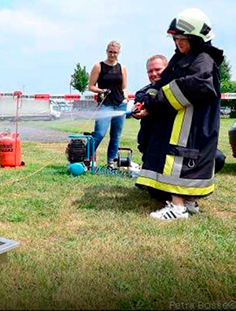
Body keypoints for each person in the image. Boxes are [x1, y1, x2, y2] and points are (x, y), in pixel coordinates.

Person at [133, 8, 224, 220]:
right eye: (176, 38)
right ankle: (189, 203)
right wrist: (147, 102)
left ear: (197, 38)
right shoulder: (182, 58)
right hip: (182, 122)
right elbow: (162, 83)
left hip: (191, 125)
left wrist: (155, 104)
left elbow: (189, 87)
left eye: (183, 38)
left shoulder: (203, 60)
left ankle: (178, 207)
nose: (179, 42)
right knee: (179, 160)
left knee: (181, 160)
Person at [88, 40, 129, 169]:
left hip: (120, 105)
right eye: (110, 52)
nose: (112, 55)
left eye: (115, 52)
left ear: (119, 53)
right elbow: (91, 86)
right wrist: (102, 91)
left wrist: (126, 98)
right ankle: (85, 157)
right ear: (107, 51)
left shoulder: (122, 68)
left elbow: (124, 87)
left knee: (115, 135)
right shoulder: (98, 66)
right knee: (99, 133)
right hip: (105, 104)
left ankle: (111, 162)